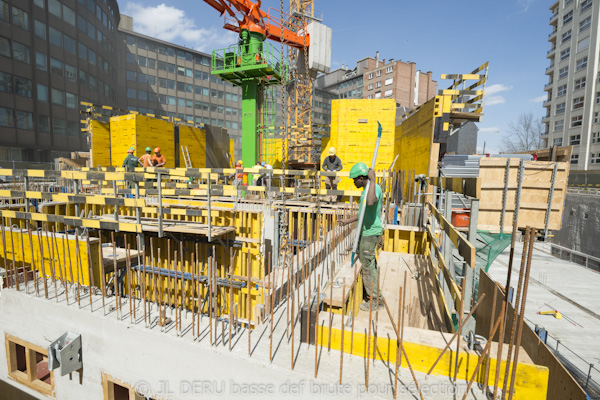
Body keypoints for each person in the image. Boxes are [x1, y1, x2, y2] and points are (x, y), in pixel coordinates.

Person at [339, 162, 384, 311]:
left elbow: (370, 203)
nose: (353, 182)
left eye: (354, 180)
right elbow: (363, 212)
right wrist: (348, 221)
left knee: (368, 266)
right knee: (370, 263)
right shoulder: (367, 189)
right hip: (367, 231)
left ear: (361, 177)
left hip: (370, 233)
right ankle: (376, 297)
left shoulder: (373, 188)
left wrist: (373, 180)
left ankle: (375, 301)